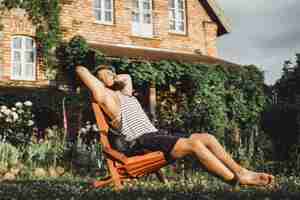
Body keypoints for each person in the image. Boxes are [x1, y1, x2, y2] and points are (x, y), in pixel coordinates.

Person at [75, 64, 274, 186]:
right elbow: (80, 70)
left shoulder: (124, 94)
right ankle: (236, 181)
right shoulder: (108, 99)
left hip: (155, 135)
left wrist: (114, 76)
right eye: (105, 75)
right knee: (194, 145)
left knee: (207, 138)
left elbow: (127, 78)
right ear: (99, 81)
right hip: (141, 142)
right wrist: (101, 76)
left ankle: (241, 171)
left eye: (111, 72)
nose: (111, 75)